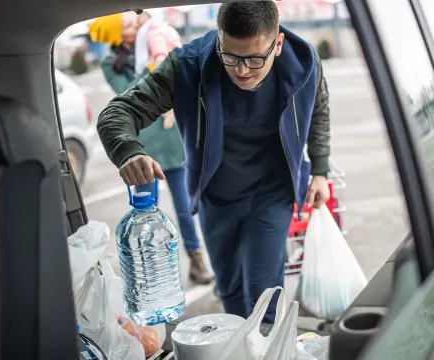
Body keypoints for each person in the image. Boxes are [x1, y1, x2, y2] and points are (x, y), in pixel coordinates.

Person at [97, 2, 331, 322]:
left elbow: (318, 111)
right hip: (216, 194)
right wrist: (129, 150)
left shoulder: (304, 64)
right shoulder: (188, 65)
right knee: (230, 290)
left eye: (254, 59)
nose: (241, 70)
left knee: (264, 295)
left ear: (277, 45)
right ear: (219, 38)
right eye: (230, 56)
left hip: (272, 192)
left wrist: (320, 168)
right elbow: (118, 112)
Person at [97, 10, 212, 285]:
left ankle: (196, 259)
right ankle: (153, 272)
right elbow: (131, 94)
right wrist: (156, 66)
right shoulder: (110, 63)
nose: (131, 29)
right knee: (146, 214)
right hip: (144, 147)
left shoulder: (155, 41)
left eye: (131, 23)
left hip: (174, 141)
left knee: (186, 207)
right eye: (123, 26)